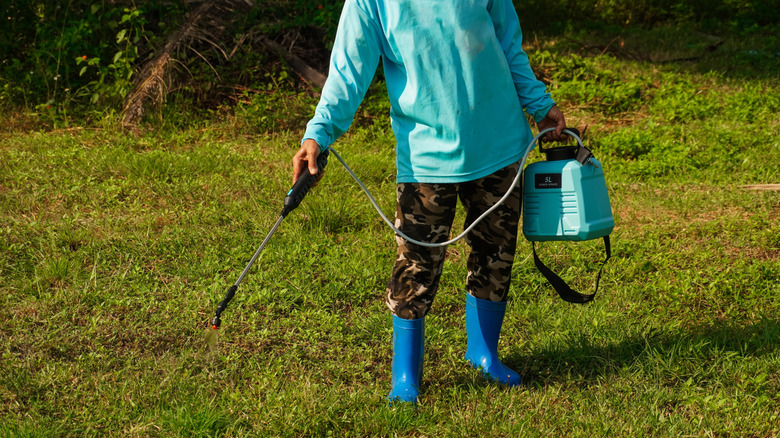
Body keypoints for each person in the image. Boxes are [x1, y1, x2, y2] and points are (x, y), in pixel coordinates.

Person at [292, 0, 567, 404]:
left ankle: (484, 354)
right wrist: (318, 134)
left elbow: (509, 45)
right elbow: (348, 71)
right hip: (426, 159)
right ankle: (405, 377)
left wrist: (540, 105)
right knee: (416, 264)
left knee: (496, 253)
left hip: (501, 143)